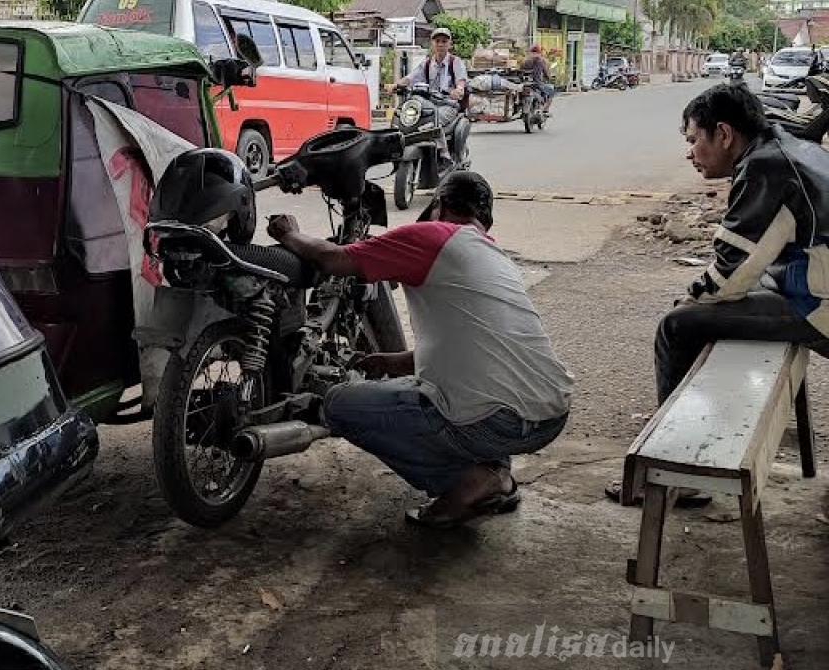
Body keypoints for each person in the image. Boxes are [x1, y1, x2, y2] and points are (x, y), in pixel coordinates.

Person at [266, 172, 574, 528]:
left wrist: (289, 233)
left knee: (339, 403)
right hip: (549, 416)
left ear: (439, 206)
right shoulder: (495, 256)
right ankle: (496, 474)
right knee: (480, 394)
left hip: (495, 423)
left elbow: (333, 259)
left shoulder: (434, 236)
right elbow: (474, 347)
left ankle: (467, 483)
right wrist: (393, 362)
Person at [606, 83, 829, 505]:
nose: (690, 153)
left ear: (724, 134)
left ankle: (676, 472)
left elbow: (730, 276)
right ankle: (708, 439)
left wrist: (691, 300)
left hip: (818, 304)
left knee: (677, 327)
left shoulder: (764, 168)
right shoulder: (785, 145)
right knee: (713, 311)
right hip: (812, 282)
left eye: (694, 140)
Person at [394, 26, 468, 169]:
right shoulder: (427, 63)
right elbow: (410, 78)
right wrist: (395, 85)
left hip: (448, 105)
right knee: (407, 118)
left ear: (449, 44)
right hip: (428, 103)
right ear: (432, 44)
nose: (440, 44)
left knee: (432, 118)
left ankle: (444, 153)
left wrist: (458, 90)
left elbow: (461, 80)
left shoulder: (455, 62)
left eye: (444, 41)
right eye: (437, 41)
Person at [520, 44, 555, 111]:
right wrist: (549, 78)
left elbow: (520, 70)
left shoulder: (524, 60)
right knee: (552, 91)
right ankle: (545, 109)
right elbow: (546, 73)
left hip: (524, 83)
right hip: (537, 84)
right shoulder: (541, 60)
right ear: (539, 52)